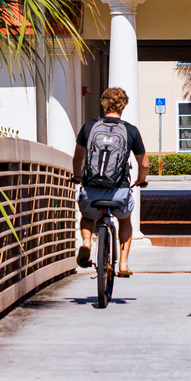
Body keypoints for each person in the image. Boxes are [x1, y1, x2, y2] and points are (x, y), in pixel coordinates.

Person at [72, 87, 149, 276]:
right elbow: (144, 163)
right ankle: (123, 264)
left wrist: (76, 177)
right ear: (123, 105)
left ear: (104, 103)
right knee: (124, 219)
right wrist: (141, 179)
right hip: (119, 191)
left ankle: (87, 242)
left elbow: (77, 157)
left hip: (91, 191)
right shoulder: (130, 130)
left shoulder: (89, 127)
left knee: (89, 216)